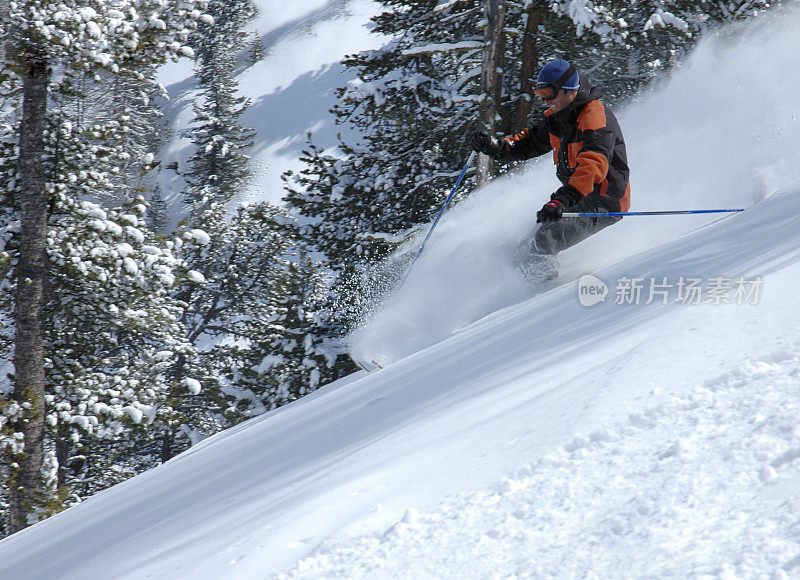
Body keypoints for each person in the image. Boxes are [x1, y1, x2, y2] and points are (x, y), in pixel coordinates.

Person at [471, 58, 630, 282]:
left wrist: (562, 200)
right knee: (523, 247)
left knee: (543, 242)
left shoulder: (594, 115)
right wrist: (494, 147)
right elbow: (528, 143)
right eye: (540, 94)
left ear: (568, 90)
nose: (545, 101)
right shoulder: (559, 118)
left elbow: (593, 163)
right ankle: (506, 290)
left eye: (548, 93)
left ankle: (542, 300)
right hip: (577, 197)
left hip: (604, 201)